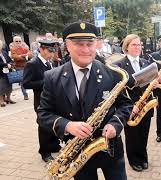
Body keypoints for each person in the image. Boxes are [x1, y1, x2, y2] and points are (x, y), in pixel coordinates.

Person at [37, 22, 132, 180]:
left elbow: (126, 105)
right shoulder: (52, 77)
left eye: (90, 44)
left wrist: (115, 124)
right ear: (67, 45)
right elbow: (43, 114)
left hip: (110, 148)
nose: (86, 50)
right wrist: (68, 125)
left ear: (96, 44)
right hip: (77, 153)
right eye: (79, 44)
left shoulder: (112, 72)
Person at [114, 34, 154, 172]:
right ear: (126, 46)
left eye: (139, 44)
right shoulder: (118, 66)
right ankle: (134, 160)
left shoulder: (146, 62)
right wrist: (130, 106)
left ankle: (143, 157)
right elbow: (118, 90)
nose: (137, 47)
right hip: (130, 107)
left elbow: (149, 84)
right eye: (134, 45)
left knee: (144, 133)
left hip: (146, 105)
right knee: (132, 135)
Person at [22, 40, 61, 162]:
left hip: (53, 100)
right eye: (50, 51)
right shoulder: (32, 64)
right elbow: (26, 83)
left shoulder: (50, 63)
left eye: (53, 51)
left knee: (54, 124)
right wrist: (46, 82)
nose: (52, 54)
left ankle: (54, 146)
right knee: (44, 127)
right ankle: (45, 152)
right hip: (41, 101)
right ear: (42, 49)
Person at [10, 35, 32, 100]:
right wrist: (25, 56)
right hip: (19, 67)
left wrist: (21, 56)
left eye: (19, 41)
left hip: (27, 66)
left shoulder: (25, 48)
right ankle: (25, 94)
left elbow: (30, 55)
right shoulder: (12, 49)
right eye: (16, 41)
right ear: (14, 42)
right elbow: (15, 58)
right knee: (22, 81)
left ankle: (26, 92)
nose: (18, 42)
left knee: (27, 80)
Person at [0, 40, 15, 107]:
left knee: (9, 85)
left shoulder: (4, 52)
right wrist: (5, 64)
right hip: (1, 72)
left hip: (8, 71)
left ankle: (8, 98)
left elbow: (10, 60)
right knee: (1, 86)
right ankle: (1, 100)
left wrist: (10, 64)